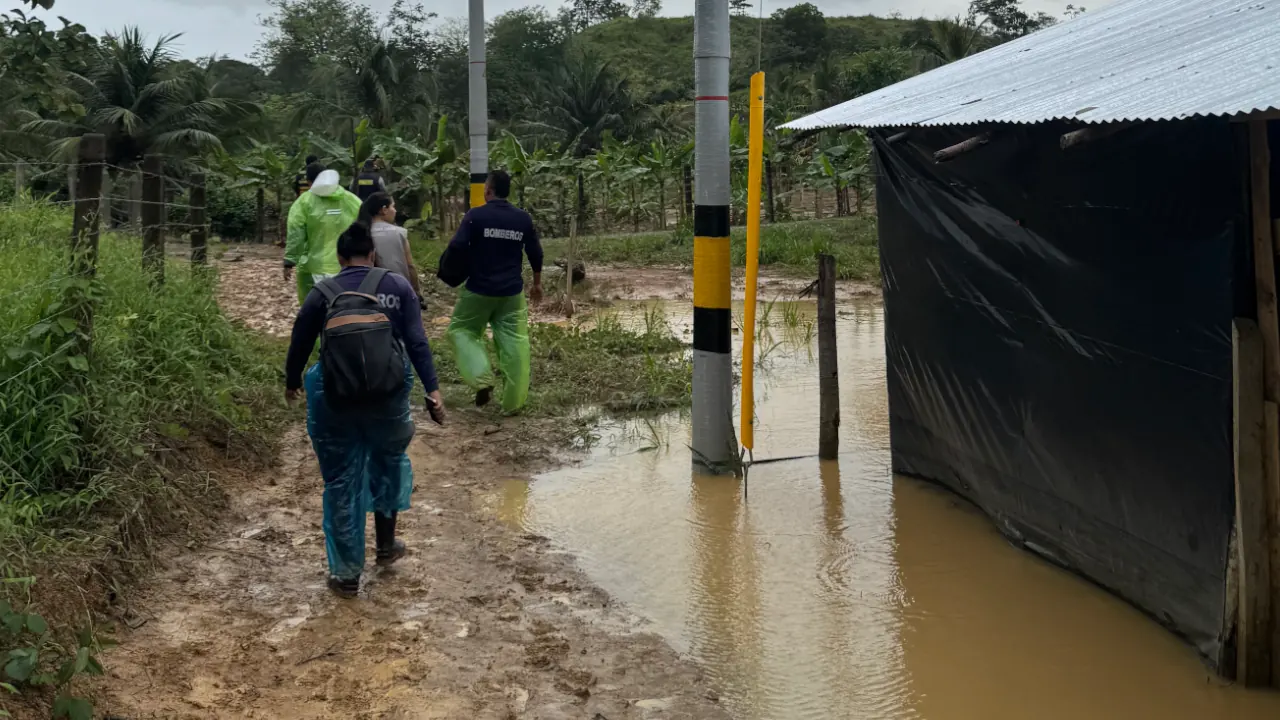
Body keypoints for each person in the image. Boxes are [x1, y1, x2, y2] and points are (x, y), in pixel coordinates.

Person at [285, 222, 445, 598]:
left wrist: (292, 381)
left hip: (336, 399)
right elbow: (417, 342)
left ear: (340, 258)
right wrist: (433, 389)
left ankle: (345, 576)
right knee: (387, 463)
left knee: (342, 480)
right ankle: (386, 547)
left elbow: (300, 341)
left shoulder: (322, 292)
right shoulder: (397, 286)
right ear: (371, 255)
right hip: (387, 397)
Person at [446, 170, 542, 414]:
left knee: (462, 330)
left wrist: (453, 269)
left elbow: (457, 245)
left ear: (488, 191)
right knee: (516, 344)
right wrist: (537, 284)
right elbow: (535, 252)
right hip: (512, 293)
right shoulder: (522, 218)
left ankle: (482, 379)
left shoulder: (475, 216)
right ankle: (512, 405)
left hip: (478, 289)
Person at [284, 163, 362, 303]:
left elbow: (296, 233)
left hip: (317, 266)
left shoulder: (304, 202)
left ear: (308, 181)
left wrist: (290, 261)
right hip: (348, 264)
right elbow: (365, 223)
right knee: (344, 305)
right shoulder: (350, 199)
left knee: (319, 306)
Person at [359, 192, 422, 299]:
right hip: (398, 289)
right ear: (384, 210)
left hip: (368, 292)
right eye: (393, 206)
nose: (395, 210)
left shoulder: (360, 233)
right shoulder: (399, 233)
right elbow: (410, 266)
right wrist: (416, 292)